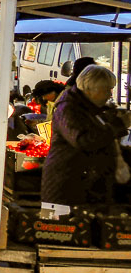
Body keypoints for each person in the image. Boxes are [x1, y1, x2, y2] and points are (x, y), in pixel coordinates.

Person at [42, 65, 131, 207]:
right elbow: (84, 141)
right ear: (91, 89)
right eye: (106, 89)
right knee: (59, 228)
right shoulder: (68, 108)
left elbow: (101, 140)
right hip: (65, 191)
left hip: (84, 188)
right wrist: (118, 124)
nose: (110, 94)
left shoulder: (88, 109)